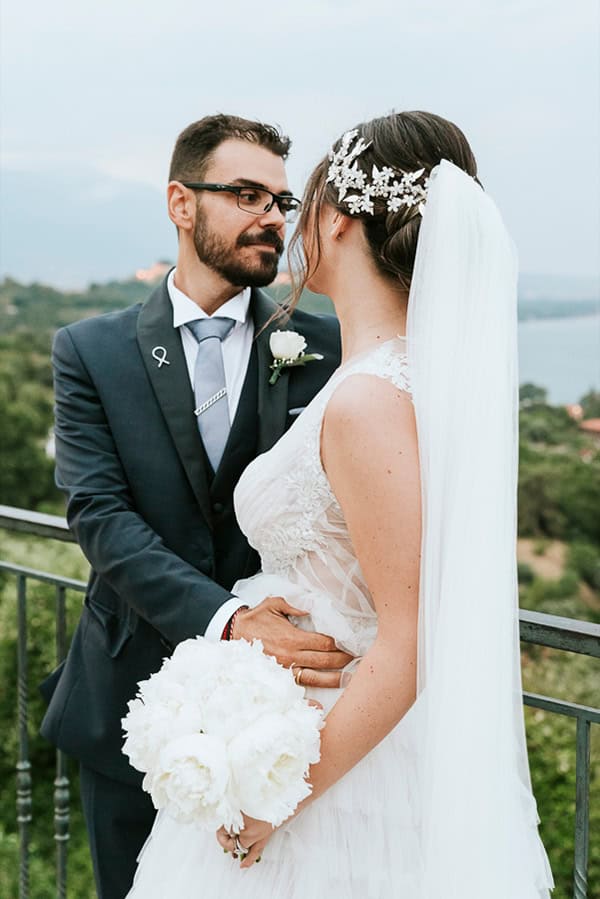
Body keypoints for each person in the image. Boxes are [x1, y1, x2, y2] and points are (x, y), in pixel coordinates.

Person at [126, 111, 555, 898]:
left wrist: (277, 798)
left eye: (305, 202)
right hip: (308, 742)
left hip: (334, 783)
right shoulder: (383, 379)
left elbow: (409, 638)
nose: (288, 223)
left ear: (340, 220)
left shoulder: (368, 401)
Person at [40, 113, 346, 899]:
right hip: (129, 705)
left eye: (280, 200)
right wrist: (229, 619)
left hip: (281, 725)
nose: (272, 216)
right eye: (246, 194)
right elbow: (99, 515)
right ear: (181, 203)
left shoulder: (327, 349)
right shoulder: (90, 351)